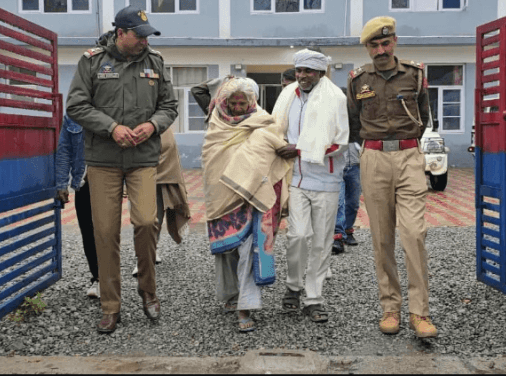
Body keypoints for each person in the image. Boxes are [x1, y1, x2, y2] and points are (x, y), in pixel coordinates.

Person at [66, 5, 178, 333]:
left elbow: (169, 105)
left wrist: (153, 125)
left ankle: (148, 291)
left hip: (143, 158)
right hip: (103, 160)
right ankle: (110, 306)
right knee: (105, 233)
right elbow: (76, 105)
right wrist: (111, 127)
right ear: (121, 34)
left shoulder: (155, 62)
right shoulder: (92, 61)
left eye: (147, 36)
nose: (145, 41)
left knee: (146, 220)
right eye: (139, 36)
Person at [346, 16, 437, 338]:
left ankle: (419, 312)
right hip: (373, 159)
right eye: (375, 44)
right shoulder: (357, 81)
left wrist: (404, 148)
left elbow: (423, 118)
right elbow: (354, 124)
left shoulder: (415, 75)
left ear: (395, 42)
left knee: (414, 234)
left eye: (386, 43)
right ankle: (390, 307)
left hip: (410, 157)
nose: (381, 49)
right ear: (368, 48)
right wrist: (375, 150)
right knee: (382, 238)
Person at [202, 76, 291, 333]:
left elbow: (277, 152)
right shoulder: (216, 127)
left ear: (251, 102)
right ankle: (231, 295)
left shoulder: (264, 123)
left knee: (248, 252)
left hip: (254, 200)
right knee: (227, 252)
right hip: (223, 199)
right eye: (234, 103)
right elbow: (211, 163)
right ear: (225, 103)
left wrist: (284, 151)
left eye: (243, 103)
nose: (238, 108)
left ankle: (245, 306)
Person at [273, 49, 349, 323]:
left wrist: (300, 150)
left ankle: (314, 298)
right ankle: (293, 286)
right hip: (295, 179)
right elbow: (275, 129)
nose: (302, 76)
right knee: (297, 236)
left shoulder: (336, 98)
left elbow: (341, 142)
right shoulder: (287, 95)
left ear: (321, 73)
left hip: (326, 181)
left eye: (309, 71)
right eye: (299, 71)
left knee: (321, 242)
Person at [132, 128, 191, 276]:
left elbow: (168, 144)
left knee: (156, 212)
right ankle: (143, 254)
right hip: (137, 162)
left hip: (163, 162)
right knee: (140, 214)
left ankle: (151, 250)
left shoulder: (163, 116)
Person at [55, 113, 99, 298]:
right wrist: (62, 184)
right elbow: (65, 150)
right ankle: (98, 278)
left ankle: (109, 279)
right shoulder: (72, 116)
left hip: (107, 180)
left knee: (106, 232)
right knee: (88, 233)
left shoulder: (111, 106)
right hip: (83, 182)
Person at [331, 139, 361, 254]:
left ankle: (348, 230)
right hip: (337, 166)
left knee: (353, 203)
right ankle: (337, 236)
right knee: (338, 202)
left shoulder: (355, 123)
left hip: (355, 166)